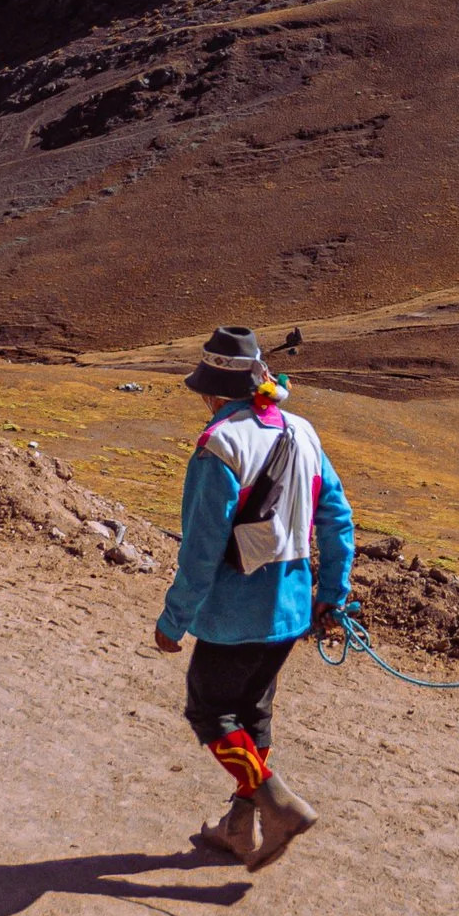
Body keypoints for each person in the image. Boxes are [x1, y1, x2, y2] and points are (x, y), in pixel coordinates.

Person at [154, 324, 356, 869]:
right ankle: (239, 829)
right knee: (254, 712)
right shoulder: (303, 432)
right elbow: (337, 517)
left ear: (212, 393)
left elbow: (201, 548)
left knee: (211, 709)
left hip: (232, 609)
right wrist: (332, 592)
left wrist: (175, 619)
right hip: (291, 605)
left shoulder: (218, 445)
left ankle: (278, 803)